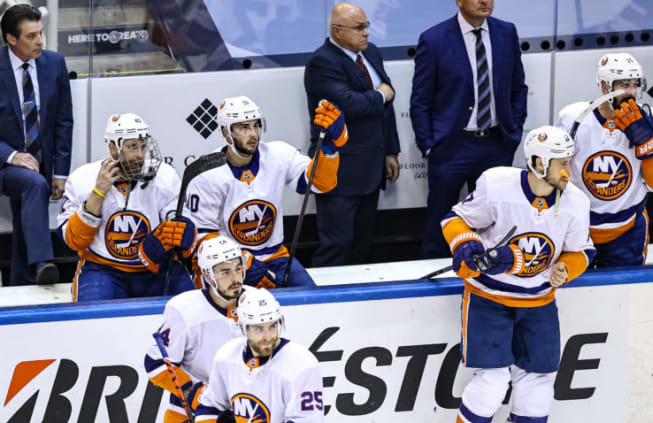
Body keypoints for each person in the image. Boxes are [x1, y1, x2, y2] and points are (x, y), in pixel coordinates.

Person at [442, 126, 595, 423]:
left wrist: (567, 267)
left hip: (538, 302)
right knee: (491, 384)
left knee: (538, 387)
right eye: (561, 163)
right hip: (489, 297)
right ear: (538, 163)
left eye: (569, 160)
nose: (569, 170)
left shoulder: (576, 202)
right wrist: (465, 243)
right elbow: (456, 219)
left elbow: (583, 251)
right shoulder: (497, 184)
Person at [184, 96, 348, 288]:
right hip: (227, 264)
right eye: (244, 128)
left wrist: (329, 149)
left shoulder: (278, 154)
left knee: (310, 300)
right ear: (226, 132)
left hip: (275, 257)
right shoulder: (206, 172)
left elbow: (319, 184)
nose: (253, 134)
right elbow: (200, 235)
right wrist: (241, 261)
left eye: (256, 126)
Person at [410, 0, 527, 258]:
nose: (485, 1)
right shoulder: (435, 39)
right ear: (459, 1)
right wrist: (430, 145)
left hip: (497, 144)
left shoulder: (506, 32)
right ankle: (434, 277)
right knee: (441, 217)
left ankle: (489, 271)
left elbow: (518, 88)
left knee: (494, 219)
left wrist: (514, 131)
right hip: (451, 145)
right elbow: (421, 100)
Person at [57, 113, 195, 301]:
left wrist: (178, 228)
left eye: (143, 146)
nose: (140, 154)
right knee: (92, 319)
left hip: (153, 265)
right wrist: (99, 192)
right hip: (103, 268)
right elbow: (74, 241)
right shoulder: (82, 179)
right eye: (132, 147)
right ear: (113, 148)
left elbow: (177, 221)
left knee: (190, 304)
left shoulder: (164, 175)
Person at [303, 1, 401, 266]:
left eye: (366, 25)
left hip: (372, 165)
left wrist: (391, 150)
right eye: (359, 28)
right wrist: (381, 94)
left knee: (362, 243)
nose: (367, 32)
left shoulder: (371, 53)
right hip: (340, 171)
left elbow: (385, 109)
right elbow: (351, 105)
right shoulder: (321, 62)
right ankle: (321, 302)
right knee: (337, 245)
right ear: (337, 31)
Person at [556, 53, 653, 267]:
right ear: (604, 86)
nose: (630, 91)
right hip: (579, 228)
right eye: (622, 84)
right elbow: (555, 176)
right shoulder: (574, 118)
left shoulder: (652, 119)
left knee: (625, 295)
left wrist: (650, 146)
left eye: (634, 84)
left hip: (627, 230)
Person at [0, 4, 72, 285]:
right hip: (5, 164)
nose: (40, 41)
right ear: (11, 39)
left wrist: (60, 173)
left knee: (26, 212)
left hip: (39, 165)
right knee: (33, 184)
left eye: (40, 33)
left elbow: (64, 121)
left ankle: (22, 281)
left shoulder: (54, 63)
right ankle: (42, 260)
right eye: (31, 36)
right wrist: (11, 155)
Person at [145, 235, 248, 423]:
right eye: (225, 272)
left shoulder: (257, 304)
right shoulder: (185, 310)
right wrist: (194, 393)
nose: (235, 278)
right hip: (191, 411)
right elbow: (155, 363)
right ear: (207, 275)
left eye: (238, 269)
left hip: (246, 409)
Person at [195, 287, 324, 423]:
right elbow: (209, 407)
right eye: (259, 329)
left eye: (272, 326)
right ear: (243, 327)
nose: (268, 337)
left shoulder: (302, 365)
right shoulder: (226, 356)